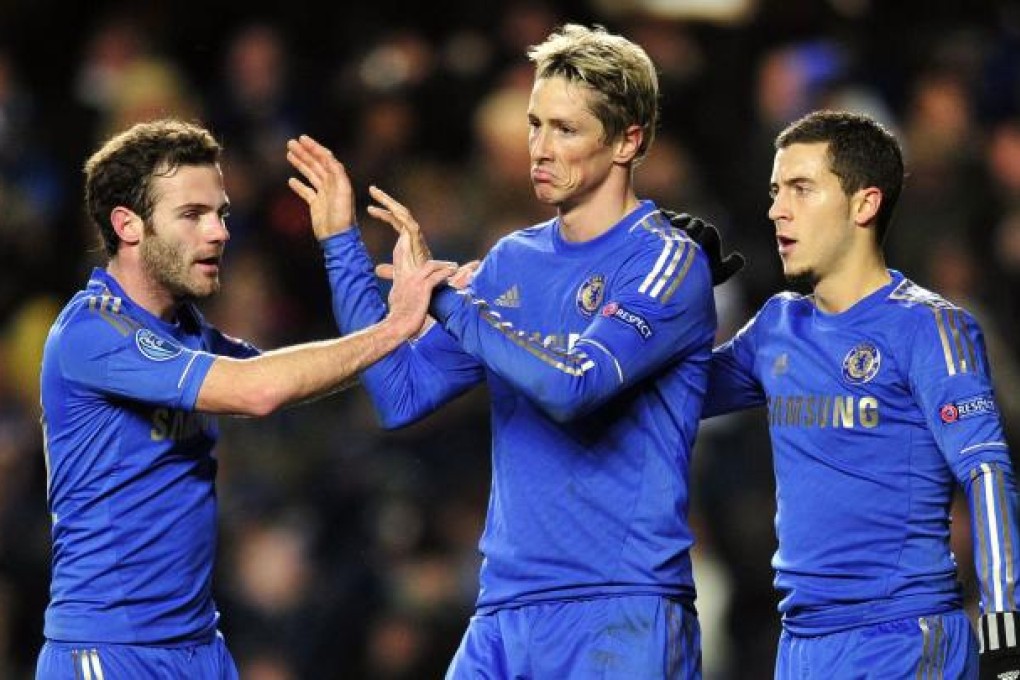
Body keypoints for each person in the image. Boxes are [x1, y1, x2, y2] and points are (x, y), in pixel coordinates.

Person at [285, 23, 733, 679]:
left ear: (629, 139)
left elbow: (576, 385)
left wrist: (449, 302)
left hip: (619, 610)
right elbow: (398, 395)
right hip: (504, 610)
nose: (540, 150)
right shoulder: (512, 262)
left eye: (566, 129)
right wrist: (343, 248)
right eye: (534, 124)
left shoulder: (666, 261)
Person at [35, 118, 453, 679]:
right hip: (109, 652)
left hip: (201, 649)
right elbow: (258, 390)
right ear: (127, 225)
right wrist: (393, 327)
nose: (218, 232)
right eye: (192, 215)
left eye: (221, 213)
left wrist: (340, 245)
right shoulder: (89, 332)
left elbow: (297, 375)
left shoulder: (187, 333)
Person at [702, 109, 1020, 678]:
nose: (777, 209)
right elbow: (669, 394)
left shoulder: (928, 328)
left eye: (802, 189)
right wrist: (672, 295)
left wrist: (1003, 620)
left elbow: (987, 473)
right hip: (801, 642)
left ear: (864, 204)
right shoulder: (777, 326)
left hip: (901, 639)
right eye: (776, 191)